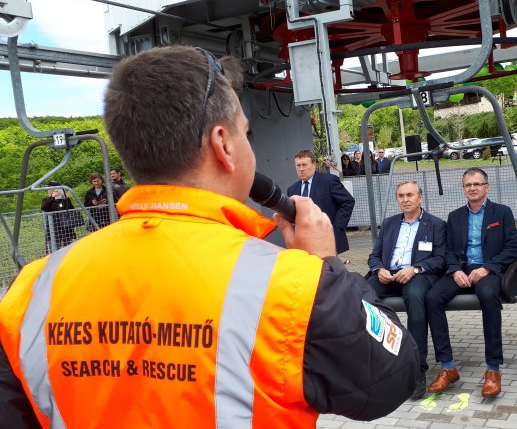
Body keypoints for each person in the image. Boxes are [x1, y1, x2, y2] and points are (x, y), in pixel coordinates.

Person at [0, 46, 418, 428]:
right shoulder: (290, 286)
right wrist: (326, 265)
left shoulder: (31, 290)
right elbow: (391, 378)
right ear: (223, 144)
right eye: (245, 133)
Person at [426, 167, 517, 398]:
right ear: (463, 189)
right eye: (468, 185)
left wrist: (488, 267)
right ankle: (447, 366)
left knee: (488, 296)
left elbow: (513, 247)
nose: (472, 188)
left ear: (486, 187)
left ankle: (493, 369)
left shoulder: (502, 213)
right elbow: (448, 250)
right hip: (462, 269)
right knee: (432, 298)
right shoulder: (455, 216)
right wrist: (455, 270)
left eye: (477, 184)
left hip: (488, 269)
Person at [366, 181, 446, 399]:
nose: (405, 199)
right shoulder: (389, 223)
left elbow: (440, 260)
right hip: (389, 275)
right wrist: (378, 269)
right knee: (362, 294)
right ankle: (378, 362)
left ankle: (417, 368)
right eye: (401, 196)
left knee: (415, 296)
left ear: (420, 197)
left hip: (417, 275)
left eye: (410, 195)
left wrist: (416, 268)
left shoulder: (436, 225)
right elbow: (374, 256)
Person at [288, 150, 356, 254]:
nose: (301, 169)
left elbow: (348, 201)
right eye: (298, 165)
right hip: (303, 243)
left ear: (314, 164)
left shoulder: (328, 181)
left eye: (304, 165)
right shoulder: (292, 190)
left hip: (326, 239)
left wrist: (337, 227)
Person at [40, 182, 78, 253]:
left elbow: (71, 209)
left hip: (65, 228)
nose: (52, 191)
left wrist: (67, 198)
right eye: (50, 190)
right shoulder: (46, 200)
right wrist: (52, 197)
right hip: (53, 229)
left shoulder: (63, 200)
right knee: (54, 249)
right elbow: (44, 208)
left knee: (67, 249)